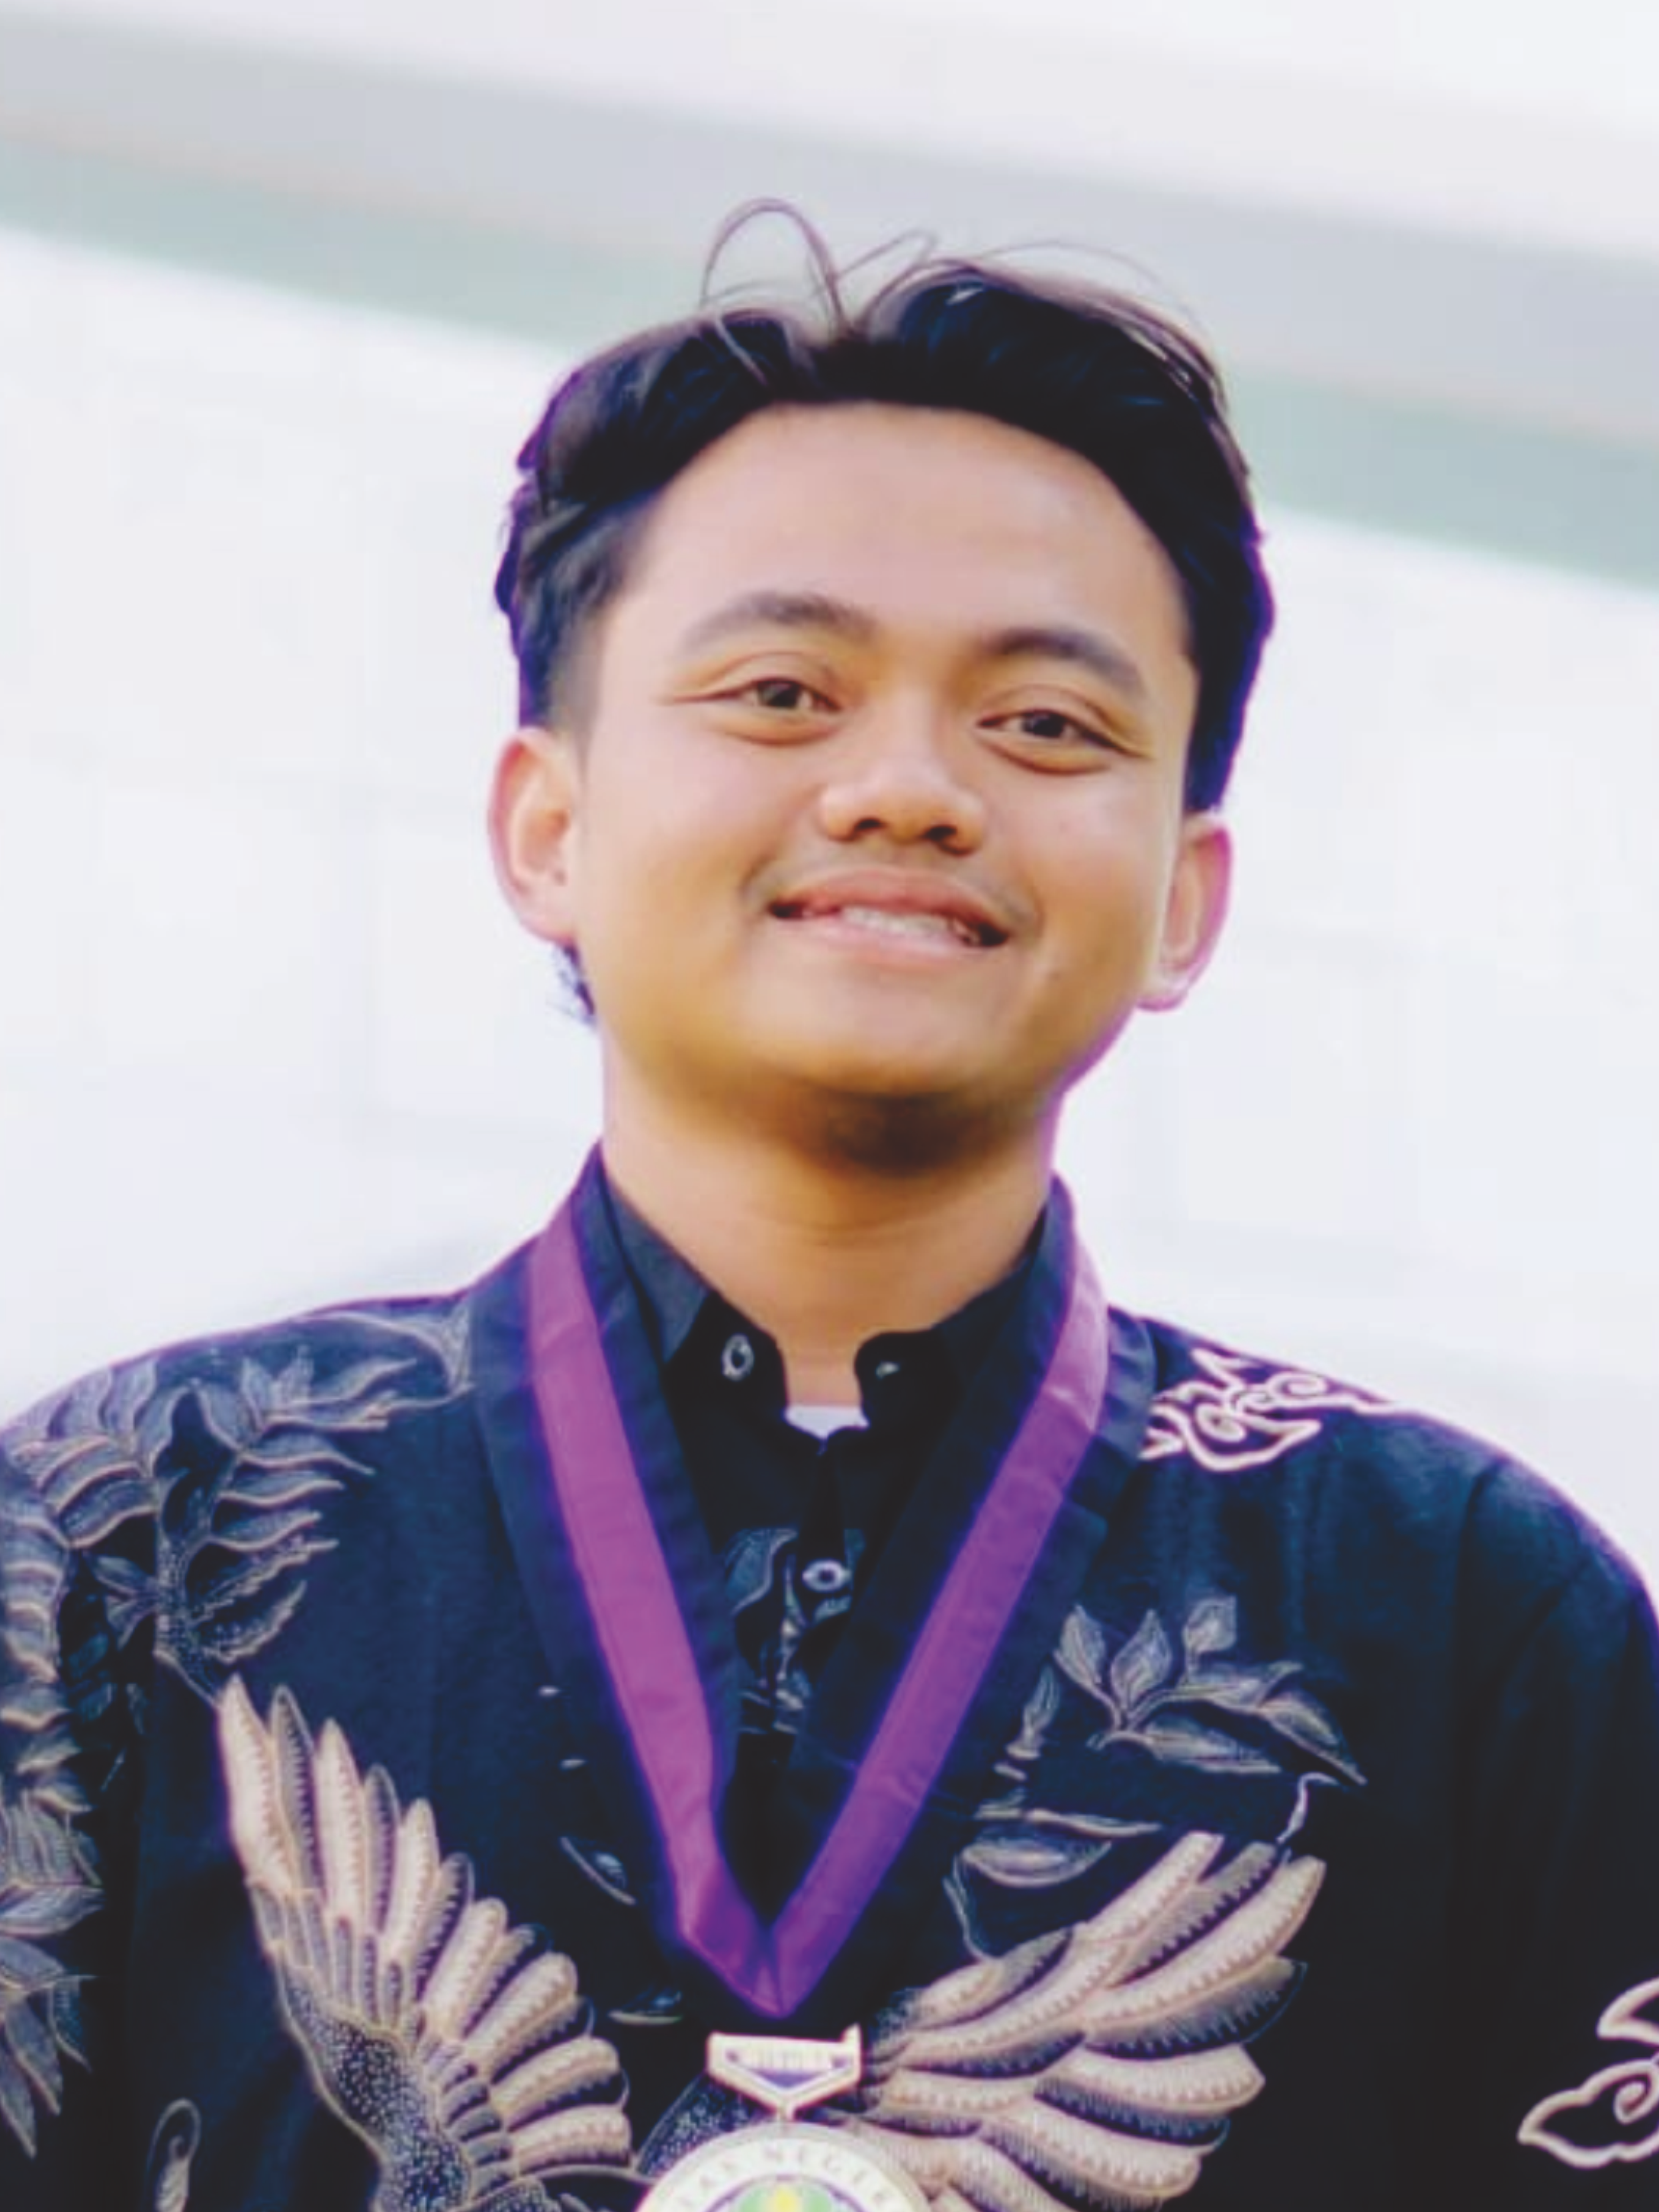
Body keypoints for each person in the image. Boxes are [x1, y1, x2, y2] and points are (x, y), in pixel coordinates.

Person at [3, 220, 1658, 2212]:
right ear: (547, 825)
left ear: (1186, 897)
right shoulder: (117, 1536)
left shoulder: (1468, 1613)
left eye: (1046, 724)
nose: (907, 787)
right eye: (784, 689)